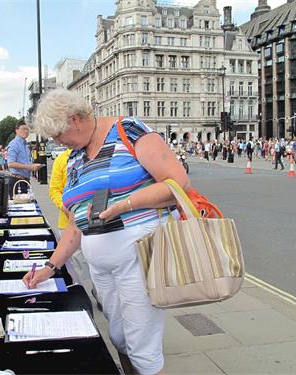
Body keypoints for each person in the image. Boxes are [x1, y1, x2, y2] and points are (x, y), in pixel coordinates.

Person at [23, 88, 189, 375]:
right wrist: (50, 267)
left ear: (75, 119)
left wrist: (123, 205)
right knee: (120, 338)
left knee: (143, 347)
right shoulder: (75, 157)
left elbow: (178, 183)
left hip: (139, 254)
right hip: (103, 266)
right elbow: (76, 224)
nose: (57, 142)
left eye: (58, 135)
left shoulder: (129, 130)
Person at [7, 120, 42, 193]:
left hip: (25, 180)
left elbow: (25, 162)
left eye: (27, 129)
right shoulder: (14, 144)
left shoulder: (25, 145)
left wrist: (33, 166)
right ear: (17, 130)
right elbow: (11, 164)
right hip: (16, 181)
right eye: (23, 129)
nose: (26, 131)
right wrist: (29, 167)